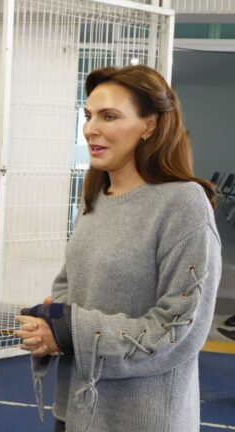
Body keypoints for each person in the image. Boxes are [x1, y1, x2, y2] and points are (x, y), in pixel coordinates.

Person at [14, 65, 221, 432]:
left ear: (150, 125)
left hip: (140, 419)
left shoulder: (184, 203)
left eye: (109, 116)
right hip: (76, 406)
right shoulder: (95, 197)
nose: (91, 128)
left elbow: (176, 328)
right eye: (88, 115)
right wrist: (52, 322)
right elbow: (69, 282)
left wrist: (70, 331)